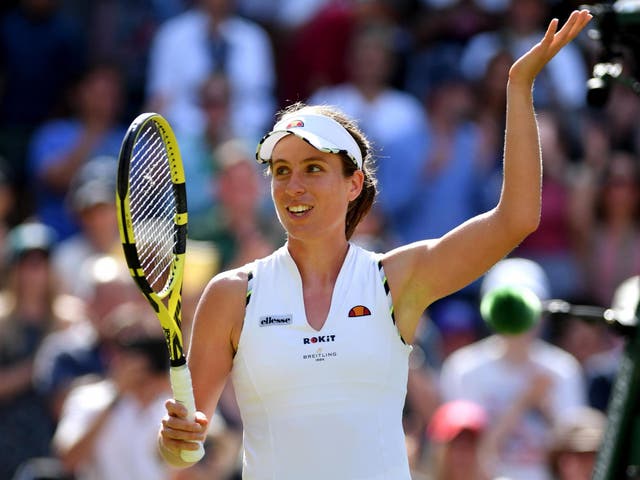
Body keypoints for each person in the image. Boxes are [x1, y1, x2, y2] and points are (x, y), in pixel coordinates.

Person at [158, 11, 592, 479]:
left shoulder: (395, 278)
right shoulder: (230, 294)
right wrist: (175, 440)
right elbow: (185, 452)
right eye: (281, 171)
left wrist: (517, 86)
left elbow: (517, 219)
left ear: (353, 184)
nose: (293, 185)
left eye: (313, 168)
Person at [439, 258, 586, 480]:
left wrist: (547, 409)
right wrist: (524, 401)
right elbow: (467, 457)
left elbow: (577, 455)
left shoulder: (563, 368)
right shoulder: (464, 369)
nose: (517, 319)